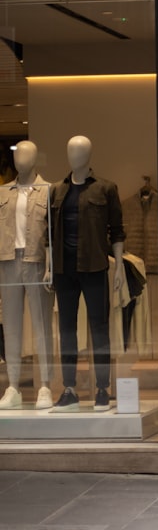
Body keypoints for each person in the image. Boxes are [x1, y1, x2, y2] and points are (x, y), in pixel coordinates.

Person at [49, 135, 126, 412]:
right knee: (66, 330)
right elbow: (49, 234)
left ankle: (103, 388)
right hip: (64, 270)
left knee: (99, 328)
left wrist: (119, 267)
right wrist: (49, 267)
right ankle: (69, 389)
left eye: (79, 151)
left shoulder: (106, 188)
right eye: (70, 151)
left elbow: (117, 231)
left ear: (89, 155)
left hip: (94, 267)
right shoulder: (56, 190)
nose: (74, 156)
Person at [0, 140, 55, 410]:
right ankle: (13, 386)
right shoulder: (2, 192)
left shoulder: (48, 190)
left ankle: (45, 384)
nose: (20, 159)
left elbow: (53, 234)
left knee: (42, 325)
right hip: (8, 261)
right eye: (17, 154)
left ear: (35, 159)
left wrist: (50, 266)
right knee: (10, 326)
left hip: (36, 261)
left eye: (26, 154)